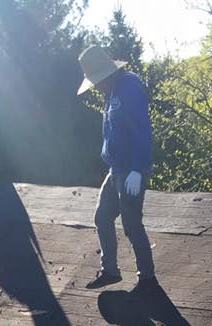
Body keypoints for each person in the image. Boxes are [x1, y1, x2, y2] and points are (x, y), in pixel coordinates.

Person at [77, 46, 158, 296]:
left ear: (108, 73)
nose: (96, 86)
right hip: (116, 169)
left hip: (132, 170)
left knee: (132, 224)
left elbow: (143, 130)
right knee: (102, 217)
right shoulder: (110, 90)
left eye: (97, 80)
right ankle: (110, 270)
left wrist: (137, 169)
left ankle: (147, 278)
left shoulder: (129, 87)